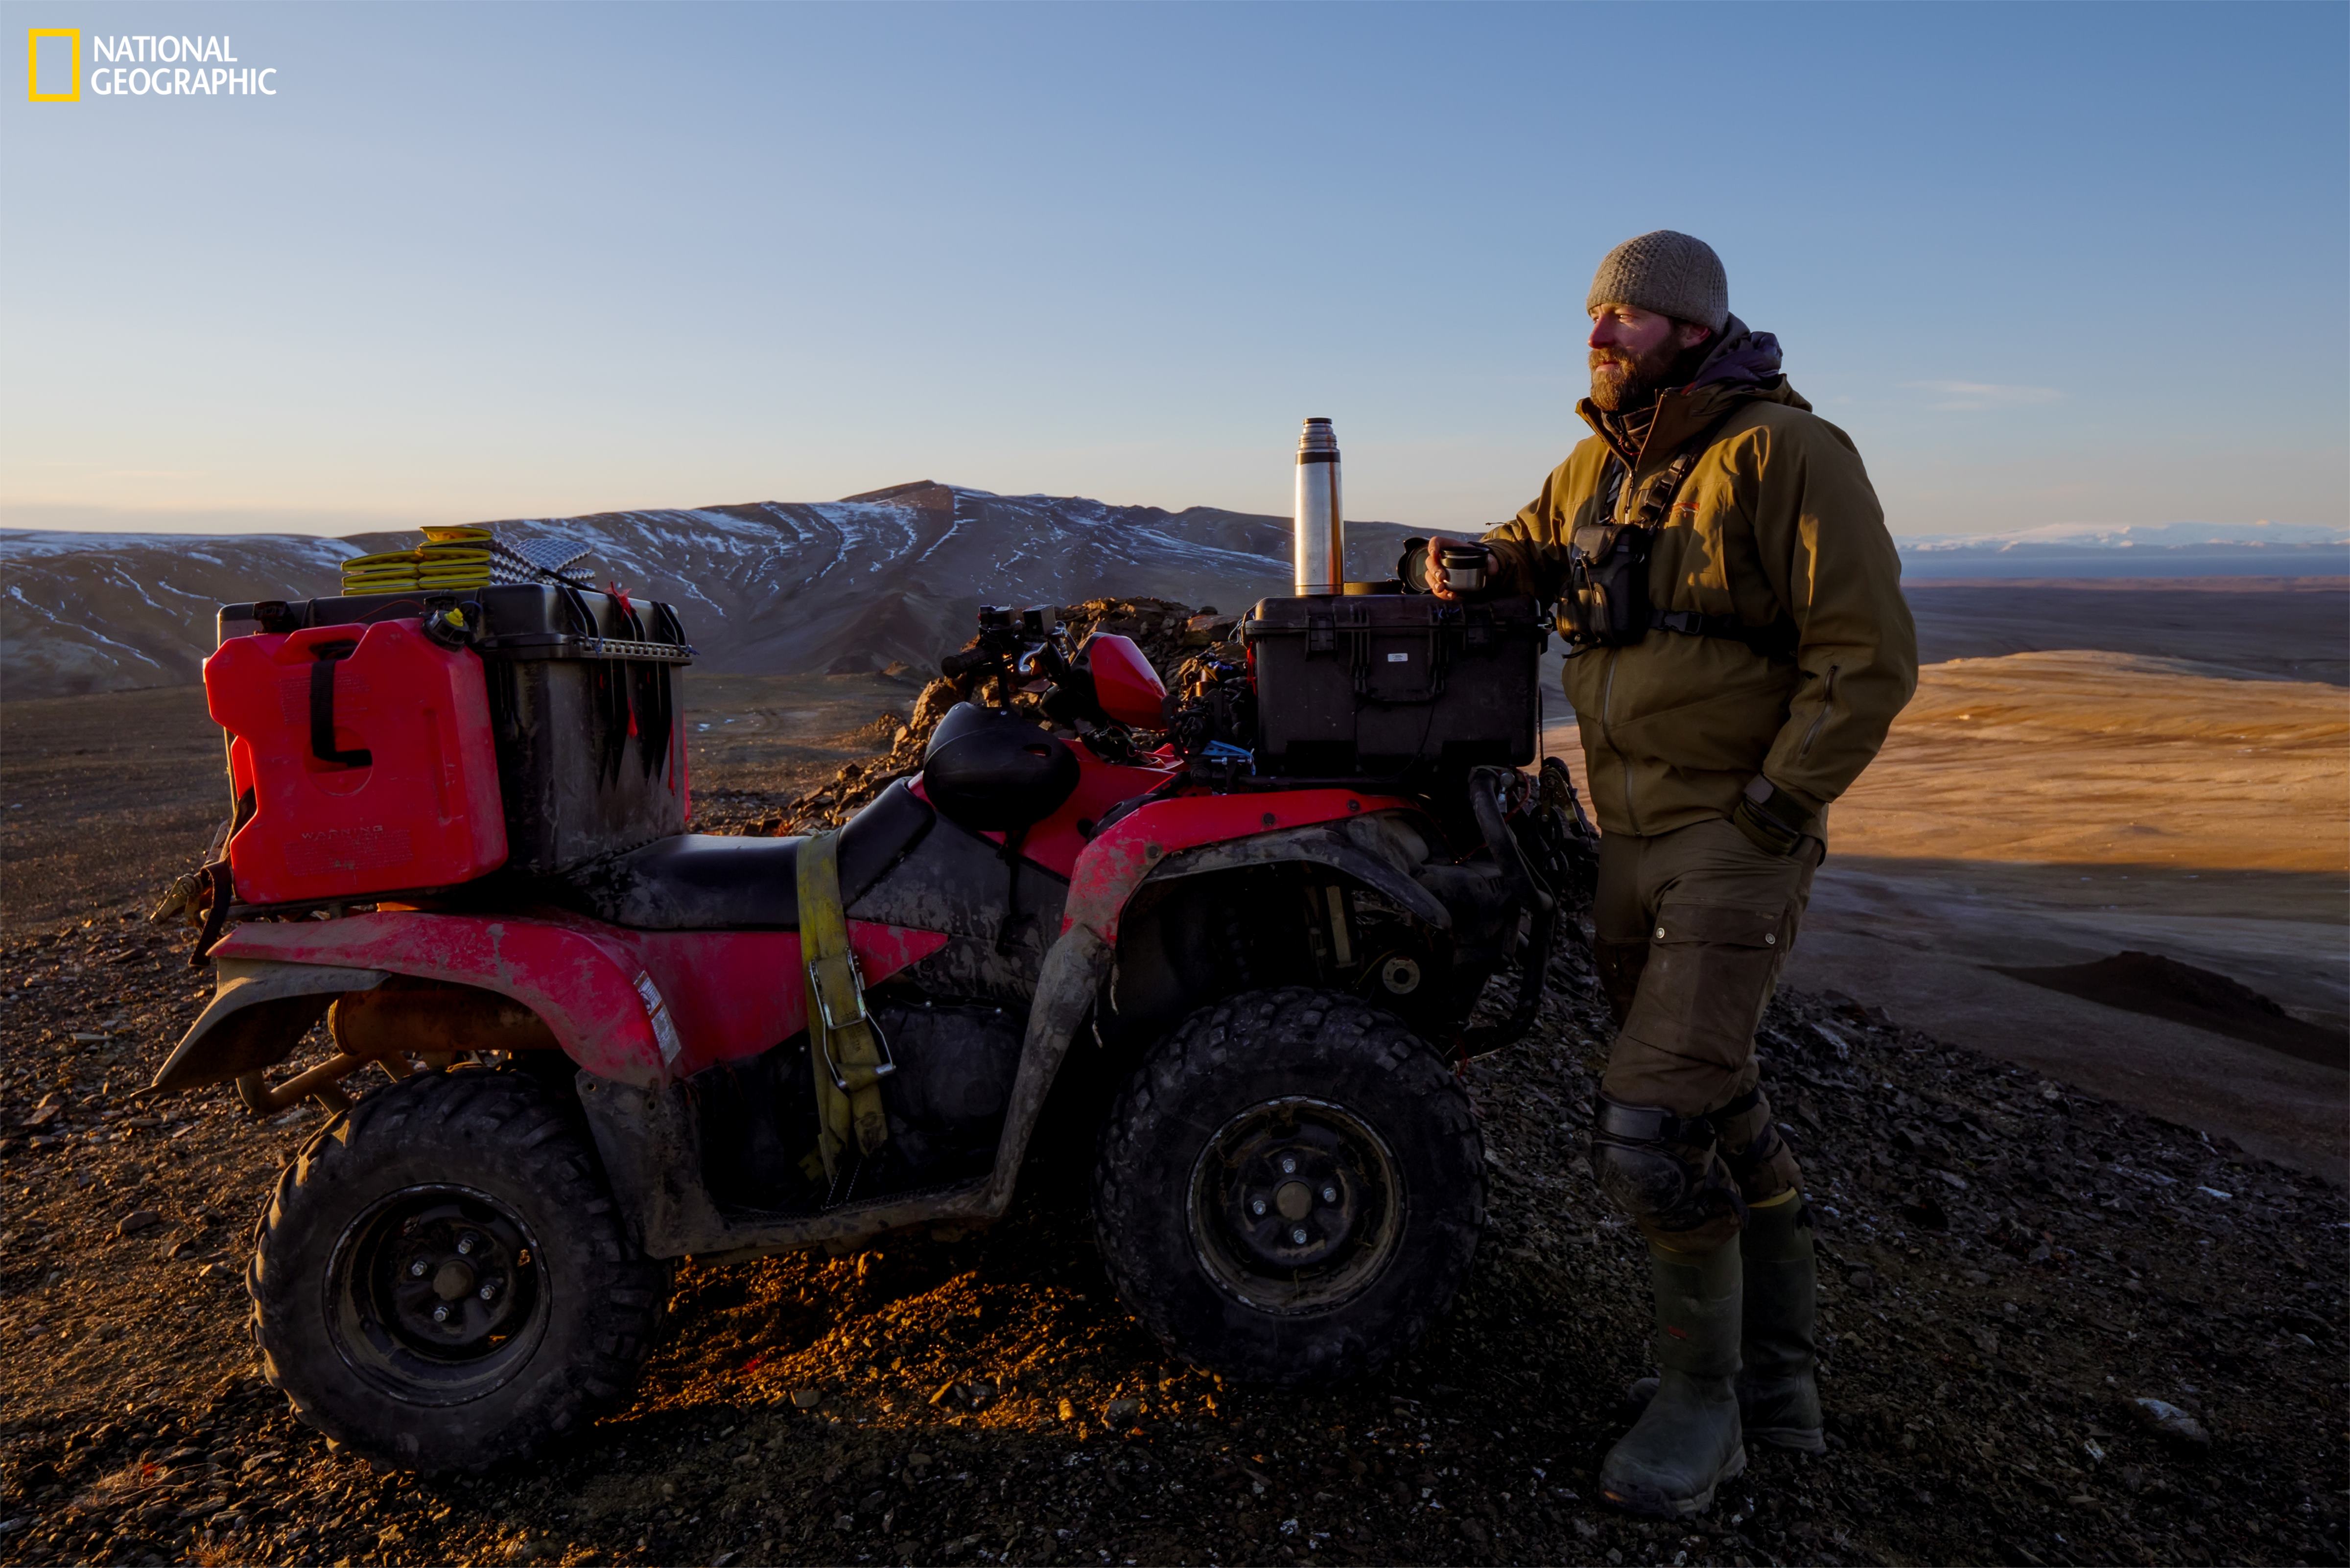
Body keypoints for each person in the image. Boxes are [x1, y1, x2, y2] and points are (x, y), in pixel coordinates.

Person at [1405, 230, 1917, 1518]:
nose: (1600, 334)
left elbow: (1868, 654)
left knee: (1652, 1120)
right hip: (1629, 842)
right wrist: (1475, 563)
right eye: (1592, 314)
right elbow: (1531, 548)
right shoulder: (1598, 463)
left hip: (1729, 839)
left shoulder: (1788, 454)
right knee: (1714, 1094)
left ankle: (1704, 1411)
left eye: (1625, 317)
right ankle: (1780, 1387)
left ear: (1693, 329)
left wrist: (1773, 807)